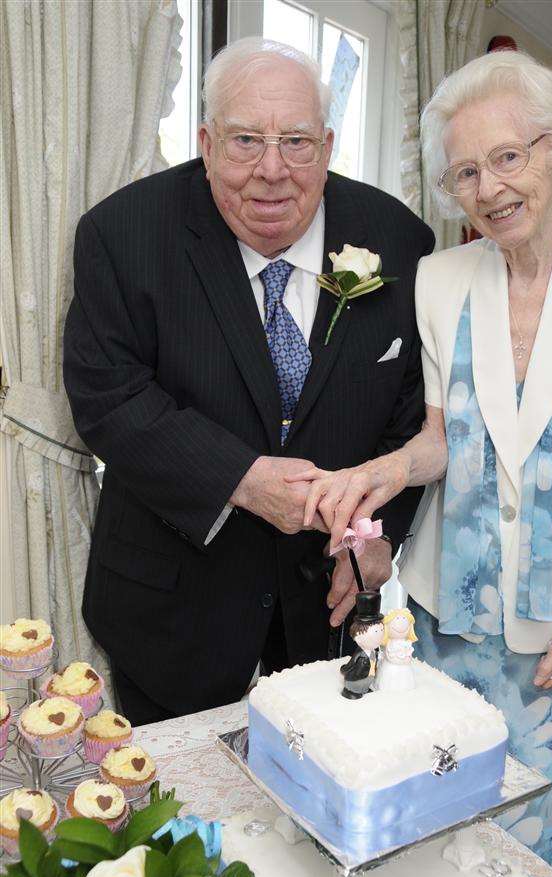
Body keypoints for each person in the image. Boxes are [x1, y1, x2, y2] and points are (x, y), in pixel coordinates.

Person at [290, 51, 552, 877]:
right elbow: (439, 440)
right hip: (442, 615)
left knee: (546, 834)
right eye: (466, 171)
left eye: (508, 157)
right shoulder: (439, 281)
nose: (491, 188)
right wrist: (375, 473)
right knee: (442, 821)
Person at [63, 38, 434, 725]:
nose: (272, 171)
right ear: (205, 141)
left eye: (295, 141)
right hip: (171, 612)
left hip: (328, 607)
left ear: (326, 145)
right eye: (244, 141)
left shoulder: (400, 240)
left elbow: (412, 414)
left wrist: (380, 536)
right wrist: (240, 478)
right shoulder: (121, 235)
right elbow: (108, 398)